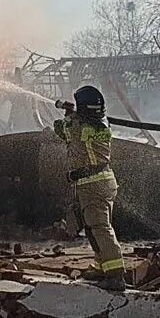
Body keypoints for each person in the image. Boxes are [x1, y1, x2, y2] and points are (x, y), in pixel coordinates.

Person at [54, 85, 125, 291]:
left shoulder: (77, 127)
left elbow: (60, 128)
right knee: (93, 228)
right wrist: (73, 113)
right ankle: (102, 266)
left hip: (92, 184)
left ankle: (116, 275)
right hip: (103, 180)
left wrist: (68, 114)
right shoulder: (102, 123)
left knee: (100, 228)